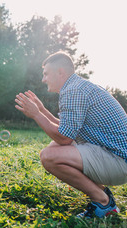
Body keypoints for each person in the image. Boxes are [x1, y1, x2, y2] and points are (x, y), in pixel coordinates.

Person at [15, 51, 127, 218]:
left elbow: (64, 138)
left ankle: (103, 203)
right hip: (116, 158)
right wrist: (42, 110)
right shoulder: (78, 86)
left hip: (119, 161)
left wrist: (36, 114)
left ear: (60, 72)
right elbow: (66, 129)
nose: (43, 79)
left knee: (49, 156)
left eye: (46, 74)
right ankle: (104, 195)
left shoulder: (73, 90)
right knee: (54, 148)